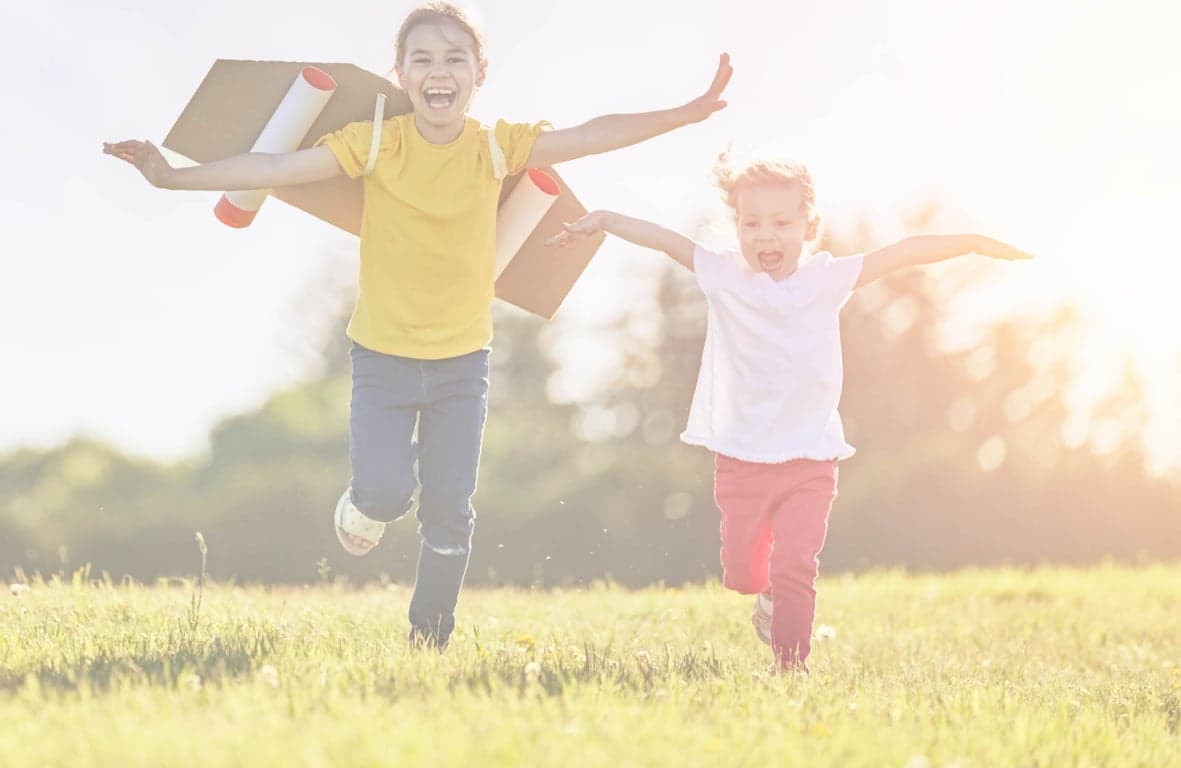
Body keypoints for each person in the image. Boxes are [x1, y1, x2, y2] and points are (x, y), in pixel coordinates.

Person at [103, 2, 733, 649]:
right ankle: (365, 504)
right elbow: (271, 169)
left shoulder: (495, 146)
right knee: (383, 494)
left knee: (451, 515)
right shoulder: (375, 143)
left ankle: (427, 643)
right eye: (422, 59)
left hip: (464, 365)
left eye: (454, 58)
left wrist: (683, 113)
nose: (439, 71)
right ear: (400, 74)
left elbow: (590, 134)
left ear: (478, 74)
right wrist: (171, 177)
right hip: (382, 358)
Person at [547, 154, 1032, 671]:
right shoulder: (722, 275)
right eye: (751, 223)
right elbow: (664, 239)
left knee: (797, 564)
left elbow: (903, 253)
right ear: (736, 227)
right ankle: (765, 597)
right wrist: (604, 219)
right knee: (742, 575)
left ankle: (791, 666)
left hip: (810, 455)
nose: (766, 235)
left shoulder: (827, 280)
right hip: (741, 458)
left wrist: (974, 242)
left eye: (781, 222)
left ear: (809, 227)